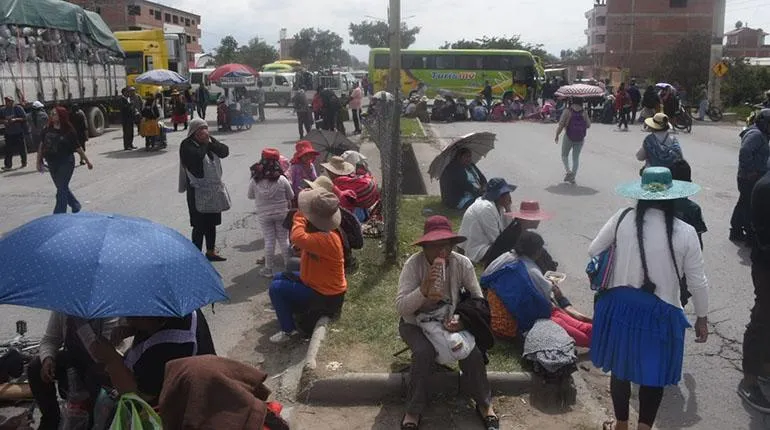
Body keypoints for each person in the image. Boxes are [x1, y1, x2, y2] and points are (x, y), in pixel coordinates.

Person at [589, 167, 709, 430]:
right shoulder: (686, 232)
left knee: (620, 369)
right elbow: (697, 282)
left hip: (620, 306)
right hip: (660, 314)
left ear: (641, 193)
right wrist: (702, 317)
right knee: (652, 375)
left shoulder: (622, 218)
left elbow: (593, 249)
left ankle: (621, 424)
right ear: (673, 196)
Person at [397, 215, 499, 430]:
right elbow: (402, 308)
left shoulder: (462, 263)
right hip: (415, 323)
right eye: (434, 246)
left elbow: (478, 300)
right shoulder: (413, 265)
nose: (441, 251)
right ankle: (413, 410)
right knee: (424, 353)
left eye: (446, 245)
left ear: (452, 245)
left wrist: (462, 320)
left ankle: (485, 404)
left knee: (472, 354)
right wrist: (423, 289)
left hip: (449, 319)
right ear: (424, 247)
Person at [268, 188, 347, 343]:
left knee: (276, 288)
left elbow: (297, 236)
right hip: (317, 283)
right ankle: (288, 310)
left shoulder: (326, 239)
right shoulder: (325, 233)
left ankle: (288, 330)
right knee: (278, 277)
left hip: (326, 295)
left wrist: (300, 215)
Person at [91, 309, 216, 406]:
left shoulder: (168, 348)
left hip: (180, 404)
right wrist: (132, 329)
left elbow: (137, 398)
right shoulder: (181, 310)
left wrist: (112, 360)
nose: (128, 320)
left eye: (133, 316)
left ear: (152, 314)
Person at [28, 313, 119, 430]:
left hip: (100, 366)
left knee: (93, 376)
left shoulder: (108, 312)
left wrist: (80, 323)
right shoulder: (65, 308)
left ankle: (94, 422)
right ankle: (51, 419)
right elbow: (50, 339)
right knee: (35, 367)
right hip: (72, 359)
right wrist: (47, 358)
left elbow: (101, 356)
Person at [514, 231, 592, 347]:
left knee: (584, 329)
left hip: (548, 312)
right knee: (585, 336)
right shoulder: (532, 270)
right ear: (536, 251)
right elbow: (552, 293)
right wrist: (555, 292)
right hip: (543, 317)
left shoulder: (516, 261)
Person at [739, 166, 770, 412]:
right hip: (766, 265)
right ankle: (749, 380)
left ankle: (764, 367)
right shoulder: (765, 187)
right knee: (763, 318)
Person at [179, 118, 230, 262]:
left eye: (205, 129)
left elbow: (224, 152)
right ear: (194, 132)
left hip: (212, 189)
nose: (204, 132)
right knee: (199, 224)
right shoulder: (187, 145)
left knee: (211, 223)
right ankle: (195, 255)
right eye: (200, 130)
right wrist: (205, 144)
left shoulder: (208, 141)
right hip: (197, 190)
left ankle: (210, 251)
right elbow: (196, 158)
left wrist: (211, 143)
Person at [37, 107, 93, 214]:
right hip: (52, 163)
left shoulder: (68, 131)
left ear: (61, 116)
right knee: (61, 187)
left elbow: (78, 147)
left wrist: (87, 161)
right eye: (51, 114)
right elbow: (41, 146)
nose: (52, 116)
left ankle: (59, 213)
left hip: (66, 162)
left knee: (61, 189)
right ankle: (75, 205)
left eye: (55, 114)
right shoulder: (47, 129)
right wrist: (38, 162)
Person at [248, 148, 295, 278]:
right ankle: (289, 268)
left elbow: (250, 196)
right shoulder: (282, 179)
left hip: (264, 215)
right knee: (284, 240)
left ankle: (268, 269)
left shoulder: (255, 180)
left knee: (269, 240)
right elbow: (291, 195)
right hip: (282, 213)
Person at [730, 109, 770, 243]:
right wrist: (750, 171)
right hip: (749, 177)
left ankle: (738, 230)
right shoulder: (756, 134)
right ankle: (744, 232)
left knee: (745, 203)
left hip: (753, 176)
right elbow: (745, 151)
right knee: (747, 205)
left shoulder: (761, 133)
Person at [458, 178, 517, 265]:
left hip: (484, 244)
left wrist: (508, 208)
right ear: (499, 196)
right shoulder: (486, 208)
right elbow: (497, 240)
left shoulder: (498, 207)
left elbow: (507, 229)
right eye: (506, 194)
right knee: (513, 252)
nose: (509, 197)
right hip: (475, 248)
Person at [322, 156, 380, 222]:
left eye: (328, 170)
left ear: (331, 172)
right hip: (364, 212)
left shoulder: (339, 183)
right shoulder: (354, 178)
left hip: (354, 216)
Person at [554, 97, 591, 184]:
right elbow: (588, 125)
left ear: (571, 101)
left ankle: (568, 172)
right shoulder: (584, 112)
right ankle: (573, 177)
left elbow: (561, 125)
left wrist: (557, 135)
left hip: (568, 137)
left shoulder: (567, 111)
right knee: (576, 158)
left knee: (564, 155)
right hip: (580, 138)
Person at [1, 96, 27, 170]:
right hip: (9, 132)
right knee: (8, 149)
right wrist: (4, 121)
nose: (7, 102)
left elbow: (24, 118)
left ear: (12, 101)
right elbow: (1, 119)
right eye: (6, 101)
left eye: (9, 101)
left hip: (18, 131)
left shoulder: (18, 108)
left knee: (22, 148)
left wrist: (15, 119)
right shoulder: (3, 110)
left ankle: (24, 162)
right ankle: (8, 165)